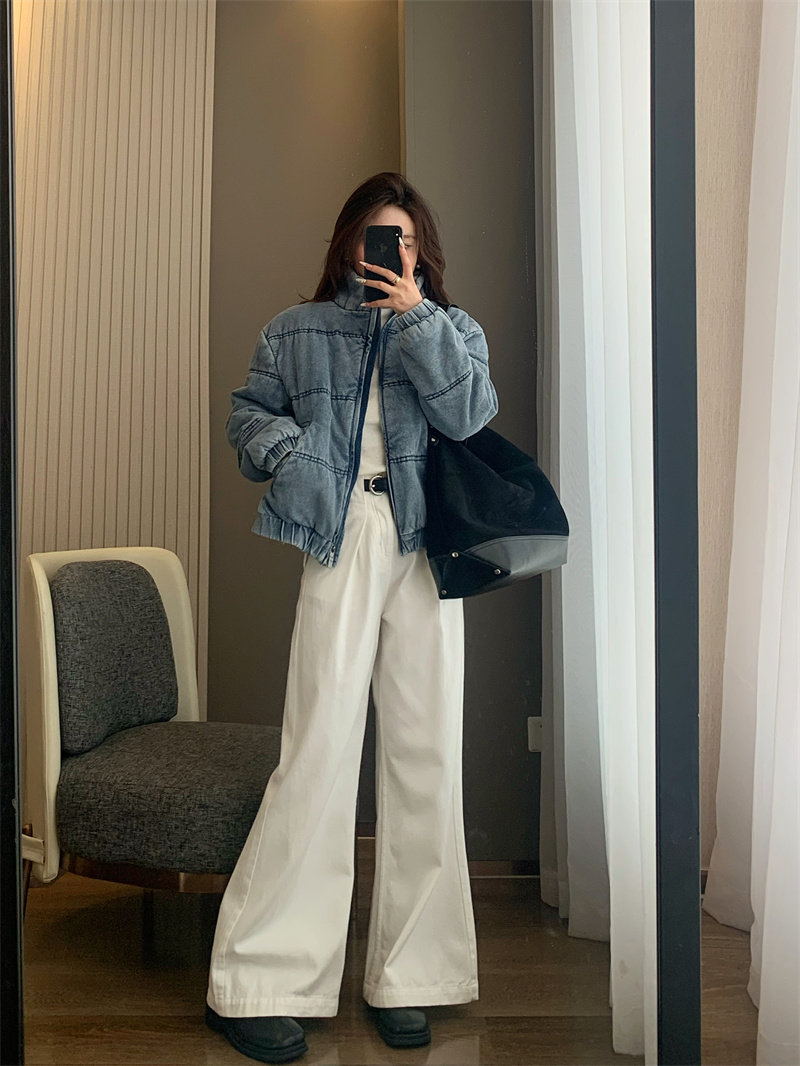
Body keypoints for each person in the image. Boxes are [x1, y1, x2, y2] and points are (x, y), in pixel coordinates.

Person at [204, 172, 499, 1064]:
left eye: (404, 239)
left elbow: (470, 417)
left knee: (426, 755)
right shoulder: (295, 330)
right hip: (341, 537)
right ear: (346, 242)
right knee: (318, 751)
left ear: (422, 250)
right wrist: (294, 460)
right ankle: (261, 981)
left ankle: (412, 978)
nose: (390, 252)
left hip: (425, 542)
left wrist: (416, 318)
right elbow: (247, 416)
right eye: (377, 236)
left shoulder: (453, 328)